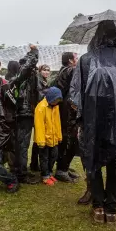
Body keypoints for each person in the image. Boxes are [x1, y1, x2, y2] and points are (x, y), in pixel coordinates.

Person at [69, 20, 116, 223]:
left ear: (96, 35)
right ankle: (111, 209)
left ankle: (99, 207)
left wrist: (82, 115)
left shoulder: (85, 60)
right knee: (114, 160)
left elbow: (74, 94)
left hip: (93, 119)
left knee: (93, 160)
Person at [50, 52, 80, 184]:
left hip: (63, 110)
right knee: (70, 140)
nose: (78, 60)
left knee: (66, 140)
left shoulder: (62, 72)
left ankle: (63, 168)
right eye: (76, 58)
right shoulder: (71, 70)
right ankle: (62, 170)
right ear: (70, 60)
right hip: (69, 110)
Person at [14, 45, 40, 184]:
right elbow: (29, 65)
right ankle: (21, 174)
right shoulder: (22, 74)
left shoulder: (27, 78)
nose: (34, 69)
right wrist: (34, 52)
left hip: (27, 113)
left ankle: (21, 170)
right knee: (22, 145)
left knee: (23, 145)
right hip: (24, 113)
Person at [34, 87, 62, 185]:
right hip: (44, 140)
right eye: (55, 100)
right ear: (50, 98)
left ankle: (50, 173)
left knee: (54, 156)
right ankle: (45, 176)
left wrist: (59, 136)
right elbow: (39, 126)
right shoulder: (40, 107)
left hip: (54, 138)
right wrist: (41, 141)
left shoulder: (56, 106)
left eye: (58, 100)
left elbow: (57, 122)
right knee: (44, 158)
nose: (57, 102)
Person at [30, 64, 51, 172]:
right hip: (38, 111)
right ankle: (34, 163)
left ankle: (34, 163)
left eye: (48, 70)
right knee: (38, 138)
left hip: (42, 111)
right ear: (40, 71)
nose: (46, 72)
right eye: (44, 70)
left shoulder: (45, 81)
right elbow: (39, 95)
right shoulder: (38, 79)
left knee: (38, 138)